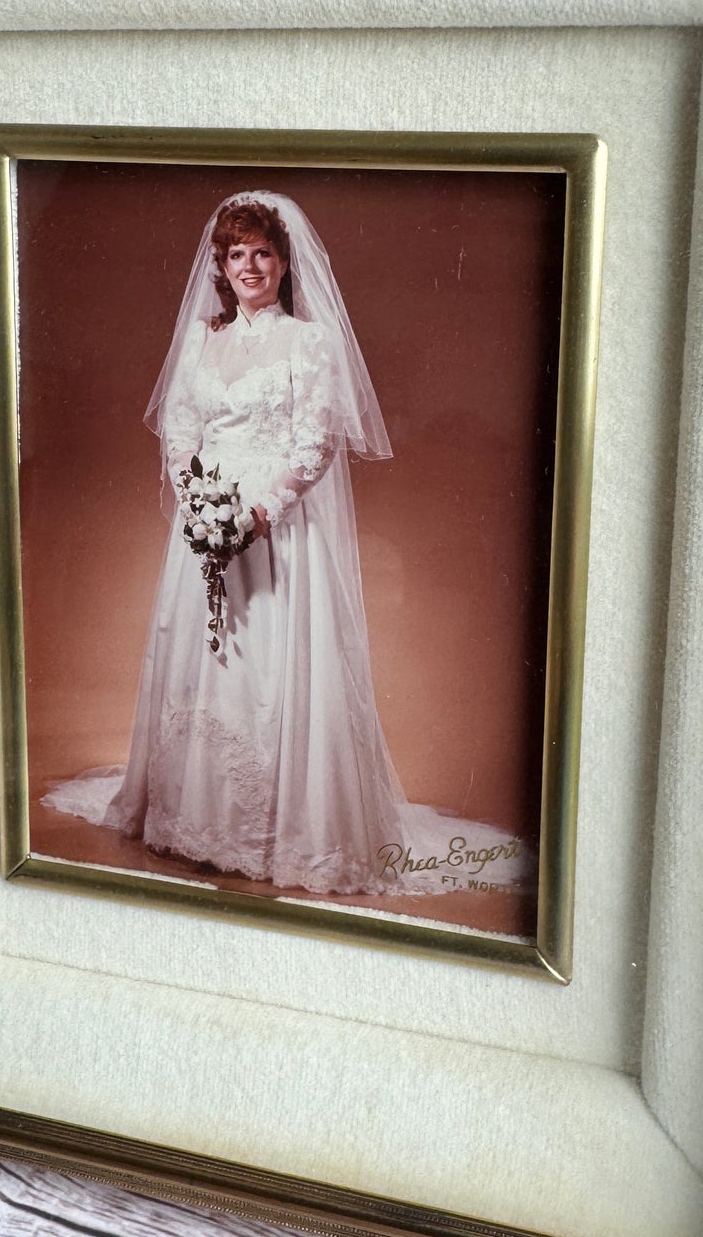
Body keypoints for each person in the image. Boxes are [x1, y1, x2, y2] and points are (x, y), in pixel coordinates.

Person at [43, 189, 530, 900]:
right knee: (208, 664)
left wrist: (256, 513)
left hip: (274, 532)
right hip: (204, 527)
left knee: (273, 672)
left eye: (262, 253)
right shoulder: (201, 339)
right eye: (236, 254)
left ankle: (274, 833)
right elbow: (180, 426)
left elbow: (315, 442)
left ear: (282, 262)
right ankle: (191, 821)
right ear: (221, 265)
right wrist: (196, 502)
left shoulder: (308, 341)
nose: (249, 266)